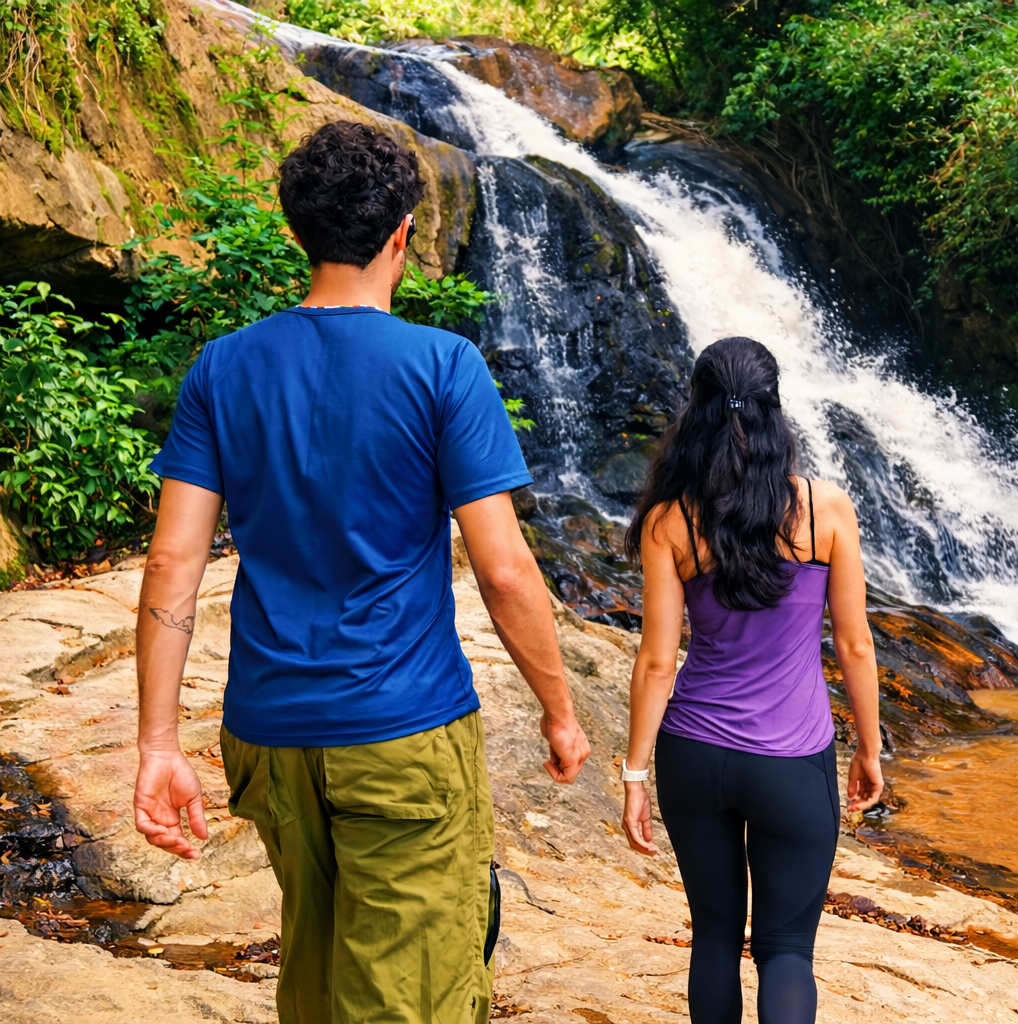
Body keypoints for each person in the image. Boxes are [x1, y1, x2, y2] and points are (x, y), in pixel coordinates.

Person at [131, 121, 591, 1024]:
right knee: (411, 997)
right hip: (401, 732)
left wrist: (157, 745)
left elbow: (172, 559)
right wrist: (560, 709)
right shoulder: (442, 366)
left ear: (297, 230)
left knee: (315, 973)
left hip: (268, 736)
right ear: (402, 234)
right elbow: (503, 571)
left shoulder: (222, 368)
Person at [619, 337, 884, 1023]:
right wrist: (869, 748)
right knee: (785, 949)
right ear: (775, 411)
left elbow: (656, 661)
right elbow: (854, 644)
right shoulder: (826, 509)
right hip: (792, 763)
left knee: (713, 936)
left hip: (694, 757)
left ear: (696, 412)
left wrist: (635, 774)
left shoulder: (669, 521)